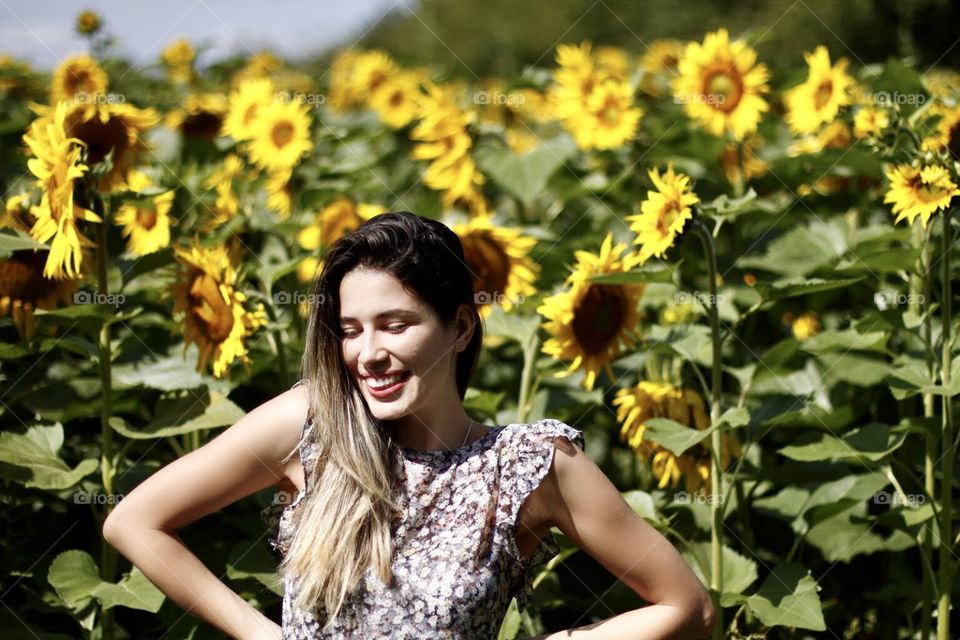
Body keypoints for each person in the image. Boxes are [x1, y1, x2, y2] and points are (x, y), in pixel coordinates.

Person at [103, 211, 716, 639]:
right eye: (350, 330)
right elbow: (134, 521)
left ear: (460, 327)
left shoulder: (527, 465)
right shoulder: (313, 427)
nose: (368, 353)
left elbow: (687, 608)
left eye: (396, 325)